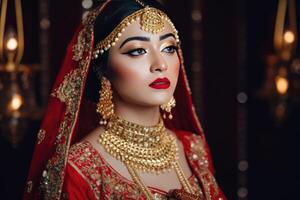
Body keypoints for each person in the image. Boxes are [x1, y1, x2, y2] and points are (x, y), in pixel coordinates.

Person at [23, 0, 227, 199]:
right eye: (138, 51)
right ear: (102, 69)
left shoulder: (193, 148)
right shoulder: (80, 169)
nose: (160, 65)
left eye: (169, 48)